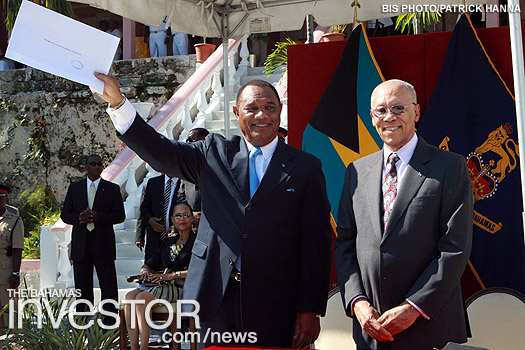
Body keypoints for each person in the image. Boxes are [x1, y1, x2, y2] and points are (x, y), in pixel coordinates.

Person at [94, 72, 332, 349]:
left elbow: (316, 244)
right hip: (215, 296)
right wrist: (119, 103)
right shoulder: (214, 152)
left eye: (270, 108)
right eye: (252, 108)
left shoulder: (305, 166)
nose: (262, 115)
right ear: (236, 112)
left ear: (280, 111)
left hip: (277, 299)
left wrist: (310, 309)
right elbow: (162, 152)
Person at [334, 79, 473, 350]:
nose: (389, 118)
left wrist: (414, 306)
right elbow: (345, 244)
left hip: (428, 325)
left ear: (417, 112)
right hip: (371, 328)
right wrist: (358, 302)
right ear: (371, 117)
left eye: (398, 108)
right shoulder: (357, 171)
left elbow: (454, 249)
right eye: (381, 111)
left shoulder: (449, 167)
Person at [61, 154, 125, 324]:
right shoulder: (75, 188)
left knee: (108, 286)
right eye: (93, 164)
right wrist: (79, 218)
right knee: (82, 288)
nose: (97, 166)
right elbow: (65, 215)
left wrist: (98, 217)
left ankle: (109, 322)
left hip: (103, 245)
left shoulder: (112, 188)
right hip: (81, 246)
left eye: (99, 164)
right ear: (86, 167)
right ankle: (82, 322)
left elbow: (120, 216)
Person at [125, 202, 196, 350]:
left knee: (142, 298)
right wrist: (145, 271)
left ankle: (143, 347)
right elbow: (151, 262)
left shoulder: (197, 241)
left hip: (182, 286)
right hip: (162, 284)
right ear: (172, 219)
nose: (182, 218)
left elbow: (199, 270)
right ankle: (134, 347)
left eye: (186, 215)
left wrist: (171, 276)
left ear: (192, 218)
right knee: (130, 297)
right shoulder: (168, 241)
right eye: (178, 215)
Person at [136, 174, 180, 262]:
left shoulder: (186, 184)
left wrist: (177, 225)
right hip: (154, 239)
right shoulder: (153, 183)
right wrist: (149, 220)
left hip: (177, 240)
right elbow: (144, 208)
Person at [176, 128, 210, 228]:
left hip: (212, 222)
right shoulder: (187, 167)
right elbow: (181, 196)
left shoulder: (217, 164)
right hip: (191, 222)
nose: (189, 143)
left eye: (192, 139)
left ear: (204, 139)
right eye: (187, 141)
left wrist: (203, 214)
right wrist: (190, 215)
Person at [0, 186, 23, 328]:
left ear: (6, 199)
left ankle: (14, 339)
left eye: (1, 198)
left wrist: (15, 273)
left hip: (5, 269)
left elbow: (17, 249)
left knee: (9, 306)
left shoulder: (14, 220)